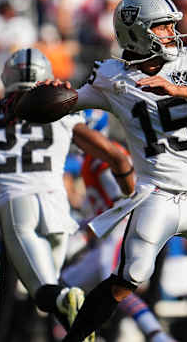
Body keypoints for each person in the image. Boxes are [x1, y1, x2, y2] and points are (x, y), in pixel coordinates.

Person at [34, 0, 187, 342]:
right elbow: (71, 102)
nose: (171, 34)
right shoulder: (112, 77)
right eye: (161, 28)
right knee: (128, 277)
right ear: (136, 33)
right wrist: (53, 93)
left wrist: (183, 90)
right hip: (158, 195)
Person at [0, 48, 135, 340]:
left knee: (47, 294)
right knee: (56, 290)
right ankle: (84, 331)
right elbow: (118, 158)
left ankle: (74, 310)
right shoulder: (63, 111)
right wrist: (131, 197)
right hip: (57, 207)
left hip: (16, 206)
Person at [61, 127, 176, 342]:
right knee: (66, 285)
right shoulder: (93, 159)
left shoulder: (102, 157)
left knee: (114, 285)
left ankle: (157, 335)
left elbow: (123, 200)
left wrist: (93, 226)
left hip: (119, 230)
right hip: (110, 234)